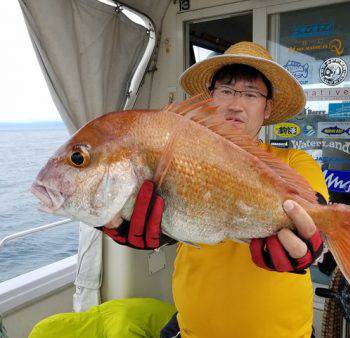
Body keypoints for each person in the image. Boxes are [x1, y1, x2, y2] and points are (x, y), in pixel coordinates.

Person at [101, 41, 329, 338]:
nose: (236, 104)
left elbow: (317, 212)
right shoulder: (185, 158)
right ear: (210, 98)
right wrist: (136, 225)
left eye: (250, 94)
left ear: (268, 107)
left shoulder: (294, 161)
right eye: (226, 91)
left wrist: (311, 244)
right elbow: (174, 221)